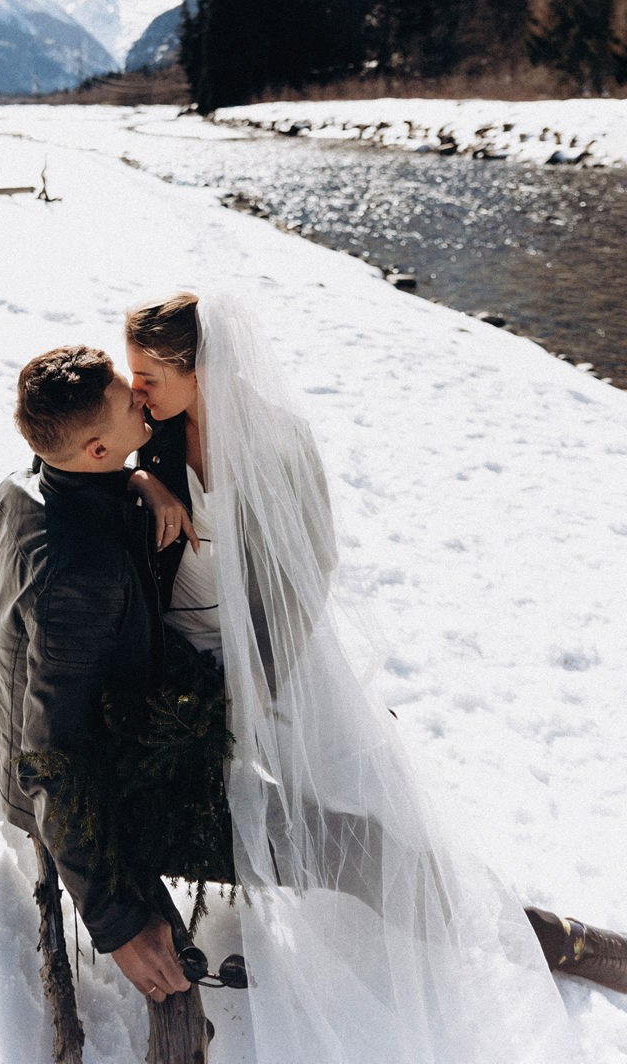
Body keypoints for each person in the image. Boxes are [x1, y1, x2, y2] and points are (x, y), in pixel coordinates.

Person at [123, 291, 627, 1062]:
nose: (136, 390)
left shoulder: (279, 440)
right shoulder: (149, 431)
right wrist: (143, 484)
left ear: (202, 369)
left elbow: (311, 566)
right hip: (180, 654)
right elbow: (78, 457)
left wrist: (261, 677)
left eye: (150, 376)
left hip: (272, 652)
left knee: (364, 808)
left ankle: (529, 934)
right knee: (256, 811)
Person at [0, 344, 194, 1004]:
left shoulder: (17, 487)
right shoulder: (82, 576)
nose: (142, 398)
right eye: (129, 403)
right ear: (96, 449)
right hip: (71, 795)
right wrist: (118, 924)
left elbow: (11, 504)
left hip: (23, 728)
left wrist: (134, 479)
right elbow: (54, 756)